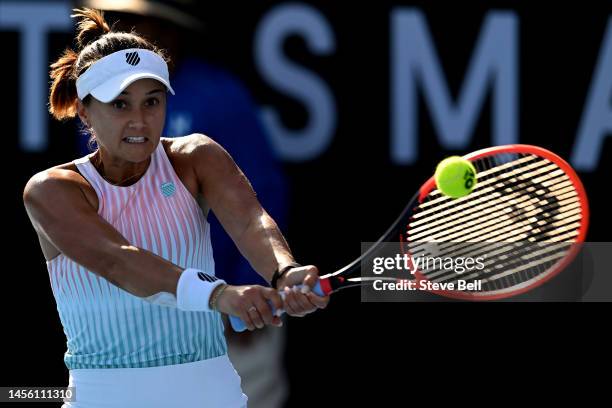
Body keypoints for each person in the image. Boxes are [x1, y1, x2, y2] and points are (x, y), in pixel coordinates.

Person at [22, 8, 328, 408]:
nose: (139, 121)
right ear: (84, 110)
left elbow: (251, 219)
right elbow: (120, 262)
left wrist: (284, 270)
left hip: (211, 395)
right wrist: (220, 295)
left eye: (152, 101)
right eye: (120, 105)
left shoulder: (197, 156)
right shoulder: (50, 191)